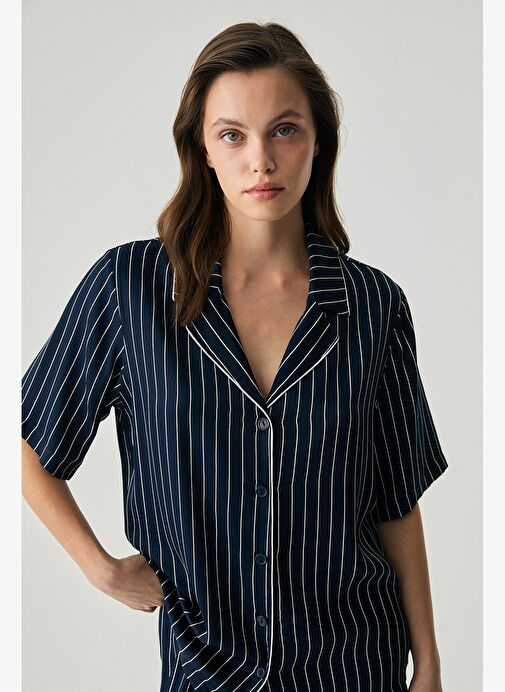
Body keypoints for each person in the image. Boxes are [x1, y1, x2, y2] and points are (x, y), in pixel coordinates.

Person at [21, 20, 449, 692]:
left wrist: (428, 663)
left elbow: (394, 502)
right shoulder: (130, 289)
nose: (261, 160)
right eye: (233, 135)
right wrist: (102, 568)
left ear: (318, 140)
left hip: (354, 666)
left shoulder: (373, 306)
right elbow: (27, 443)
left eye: (284, 130)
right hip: (205, 671)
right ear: (203, 148)